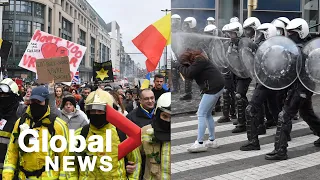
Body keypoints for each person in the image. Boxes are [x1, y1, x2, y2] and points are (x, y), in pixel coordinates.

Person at [265, 18, 320, 160]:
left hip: (302, 88)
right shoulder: (296, 48)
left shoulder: (304, 49)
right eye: (288, 32)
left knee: (285, 115)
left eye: (292, 33)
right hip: (300, 87)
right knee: (307, 113)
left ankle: (280, 151)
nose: (289, 35)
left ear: (301, 33)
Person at [3, 86, 75, 179]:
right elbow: (12, 152)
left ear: (46, 102)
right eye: (33, 101)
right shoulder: (21, 123)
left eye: (39, 102)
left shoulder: (58, 125)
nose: (35, 104)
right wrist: (7, 177)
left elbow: (66, 157)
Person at [75, 88, 141, 179]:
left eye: (100, 111)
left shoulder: (123, 133)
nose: (96, 114)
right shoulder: (80, 134)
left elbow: (136, 162)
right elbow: (71, 165)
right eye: (93, 111)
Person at [240, 23, 280, 151]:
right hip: (270, 83)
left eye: (260, 34)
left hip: (265, 82)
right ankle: (284, 134)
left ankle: (253, 142)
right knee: (275, 108)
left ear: (267, 34)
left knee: (250, 109)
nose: (257, 36)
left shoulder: (269, 48)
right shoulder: (273, 46)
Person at [176, 49, 224, 152]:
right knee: (207, 114)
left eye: (185, 63)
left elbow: (189, 73)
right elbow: (189, 75)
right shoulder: (198, 60)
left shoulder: (199, 61)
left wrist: (179, 66)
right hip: (215, 86)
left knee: (201, 114)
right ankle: (212, 140)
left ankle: (200, 143)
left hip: (212, 88)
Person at [141, 92, 171, 179]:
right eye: (164, 116)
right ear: (157, 114)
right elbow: (136, 160)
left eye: (171, 117)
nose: (168, 121)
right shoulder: (145, 132)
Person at [0, 78, 21, 180]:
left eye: (5, 95)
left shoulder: (20, 117)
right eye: (1, 95)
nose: (2, 98)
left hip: (10, 173)